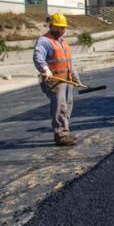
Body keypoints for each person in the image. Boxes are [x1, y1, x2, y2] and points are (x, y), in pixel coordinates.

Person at [33, 13, 80, 146]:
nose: (62, 30)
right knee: (60, 107)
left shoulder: (62, 41)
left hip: (66, 79)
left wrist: (76, 78)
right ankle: (60, 135)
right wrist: (44, 68)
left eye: (63, 27)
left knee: (68, 105)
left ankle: (65, 131)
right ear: (52, 26)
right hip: (53, 80)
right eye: (59, 27)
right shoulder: (44, 41)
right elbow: (38, 57)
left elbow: (69, 63)